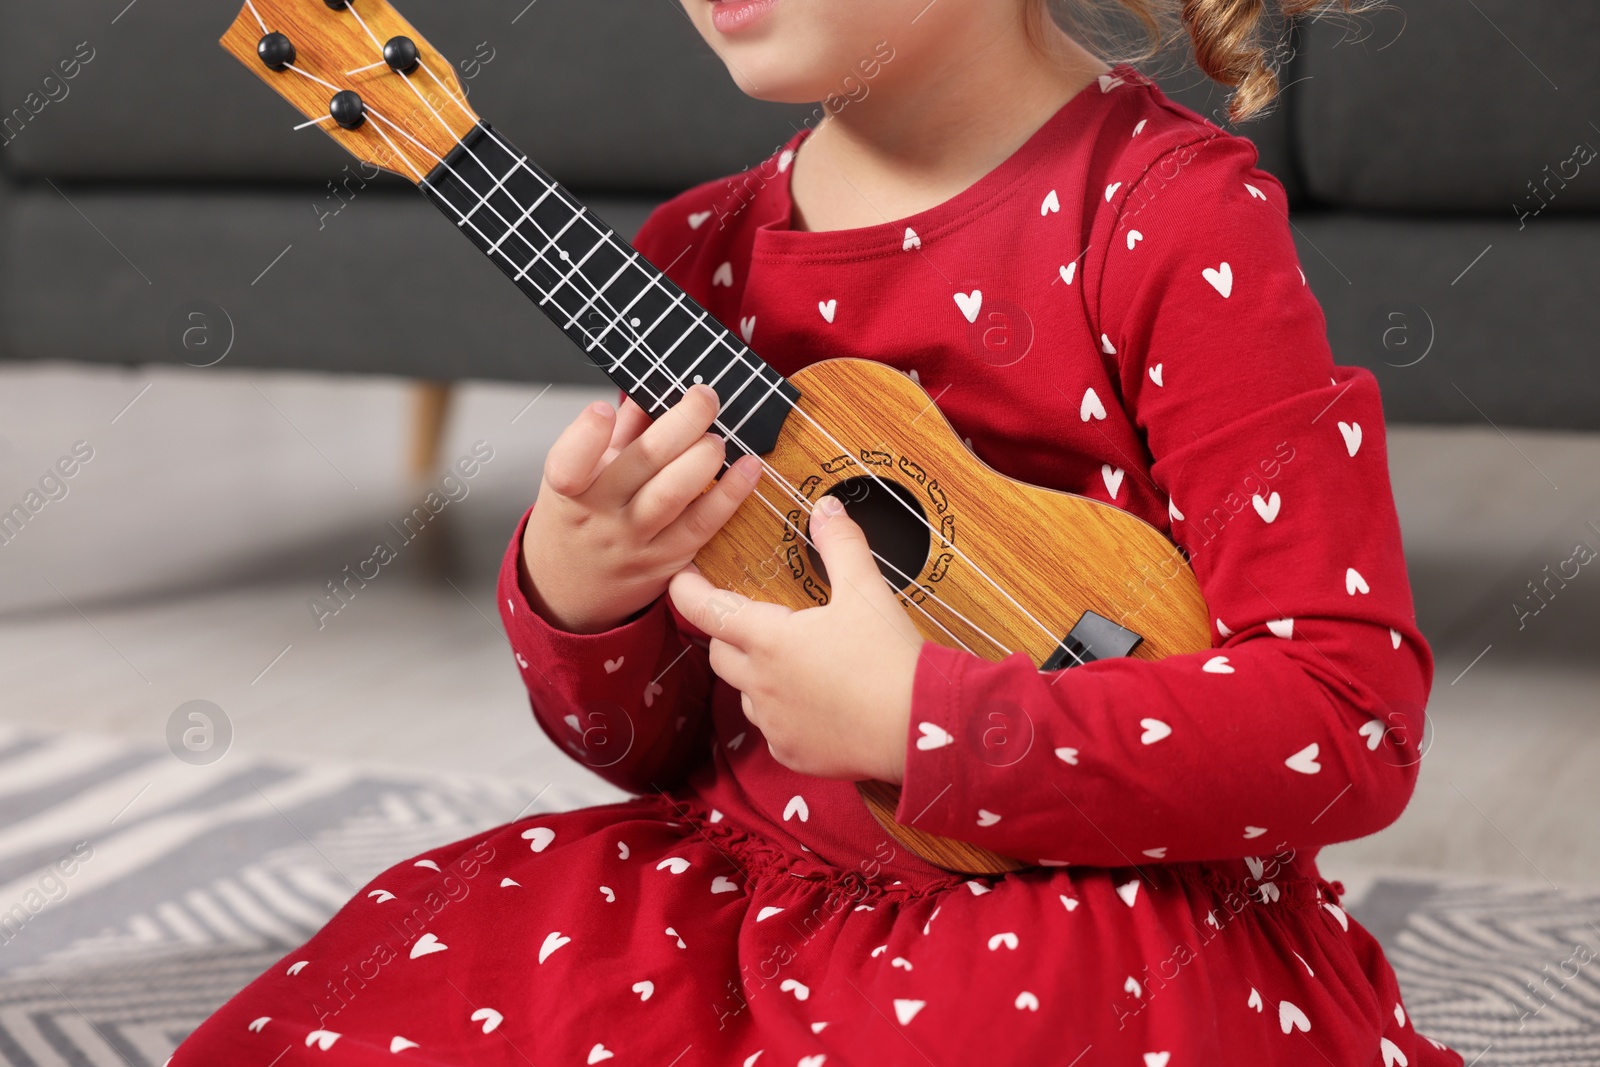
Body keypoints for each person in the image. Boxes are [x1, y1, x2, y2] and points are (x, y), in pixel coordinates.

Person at [175, 0, 1465, 1062]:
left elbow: (1348, 720)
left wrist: (929, 723)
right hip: (751, 883)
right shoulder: (702, 258)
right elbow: (646, 749)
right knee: (377, 991)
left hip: (1082, 906)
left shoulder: (1165, 217)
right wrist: (583, 593)